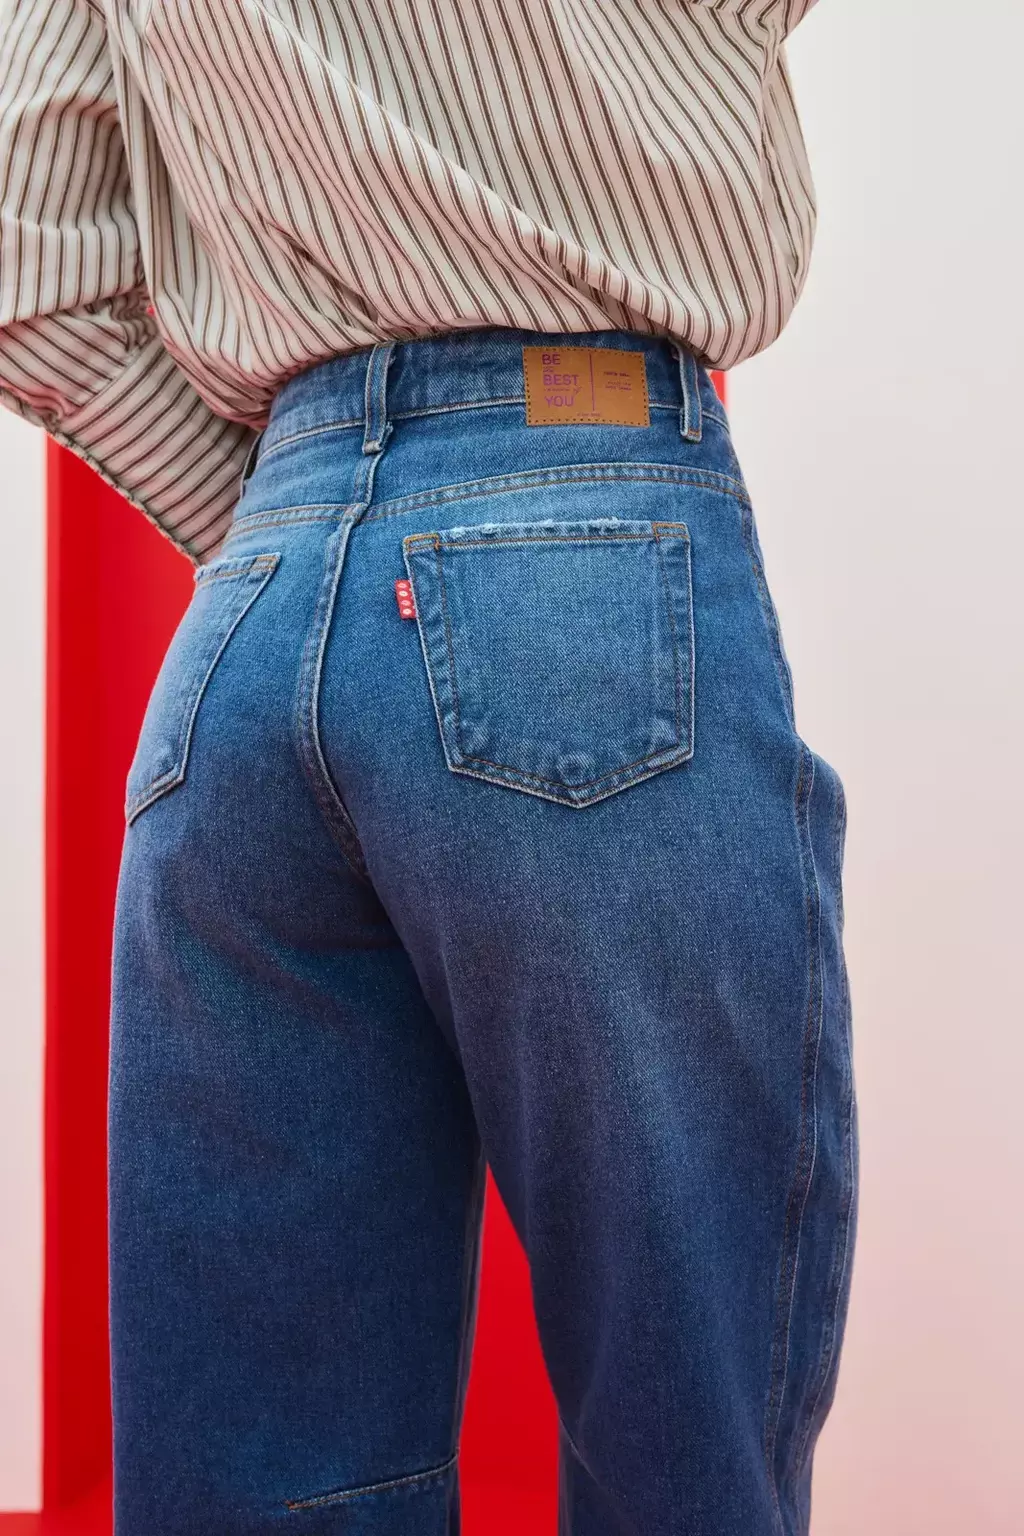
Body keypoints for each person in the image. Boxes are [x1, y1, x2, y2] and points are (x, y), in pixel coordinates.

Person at [0, 3, 857, 1532]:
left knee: (263, 1493)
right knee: (689, 1462)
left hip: (255, 614)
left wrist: (289, 523)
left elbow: (31, 275)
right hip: (587, 529)